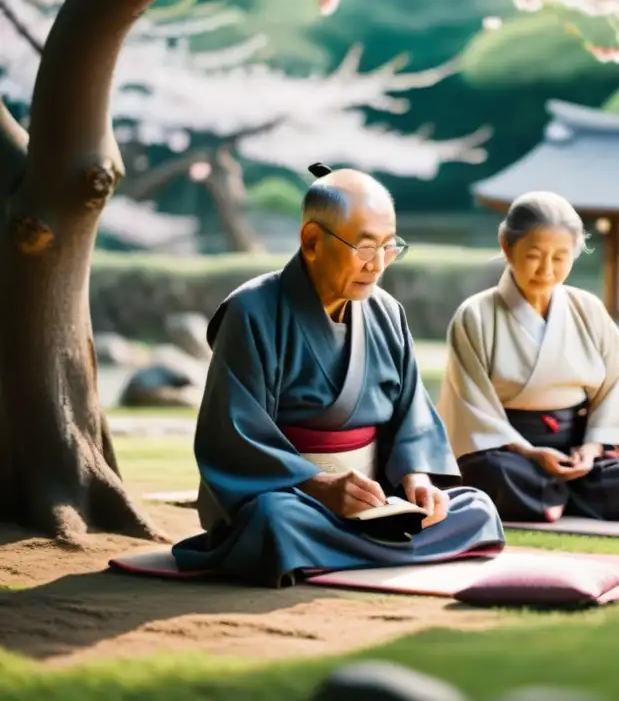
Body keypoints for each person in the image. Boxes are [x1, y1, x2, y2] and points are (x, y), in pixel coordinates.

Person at [170, 164, 505, 587]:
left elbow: (411, 415)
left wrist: (416, 477)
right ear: (312, 241)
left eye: (390, 247)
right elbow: (235, 434)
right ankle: (385, 550)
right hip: (294, 498)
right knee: (275, 523)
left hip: (378, 499)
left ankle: (340, 550)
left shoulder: (387, 312)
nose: (379, 264)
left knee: (477, 508)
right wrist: (321, 486)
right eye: (365, 248)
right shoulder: (251, 311)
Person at [437, 190, 619, 523]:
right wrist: (530, 452)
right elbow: (472, 408)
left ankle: (550, 497)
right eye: (535, 255)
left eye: (560, 257)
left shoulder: (588, 309)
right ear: (507, 246)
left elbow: (615, 388)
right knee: (491, 473)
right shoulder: (475, 315)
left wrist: (592, 449)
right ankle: (571, 495)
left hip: (581, 448)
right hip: (511, 453)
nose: (547, 269)